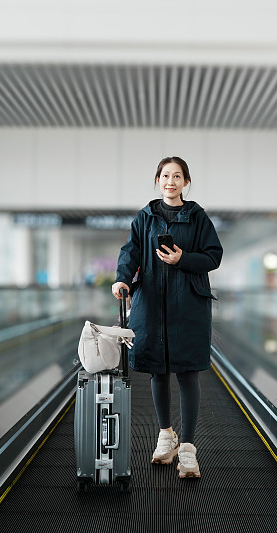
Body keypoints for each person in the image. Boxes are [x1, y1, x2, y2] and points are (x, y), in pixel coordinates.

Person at [112, 156, 223, 479]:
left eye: (177, 176)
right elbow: (130, 251)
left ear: (186, 182)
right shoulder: (144, 218)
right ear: (157, 180)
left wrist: (182, 258)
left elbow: (213, 256)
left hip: (188, 304)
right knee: (157, 371)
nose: (171, 181)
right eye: (165, 176)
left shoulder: (198, 217)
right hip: (152, 304)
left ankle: (187, 449)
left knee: (188, 373)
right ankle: (165, 436)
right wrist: (122, 278)